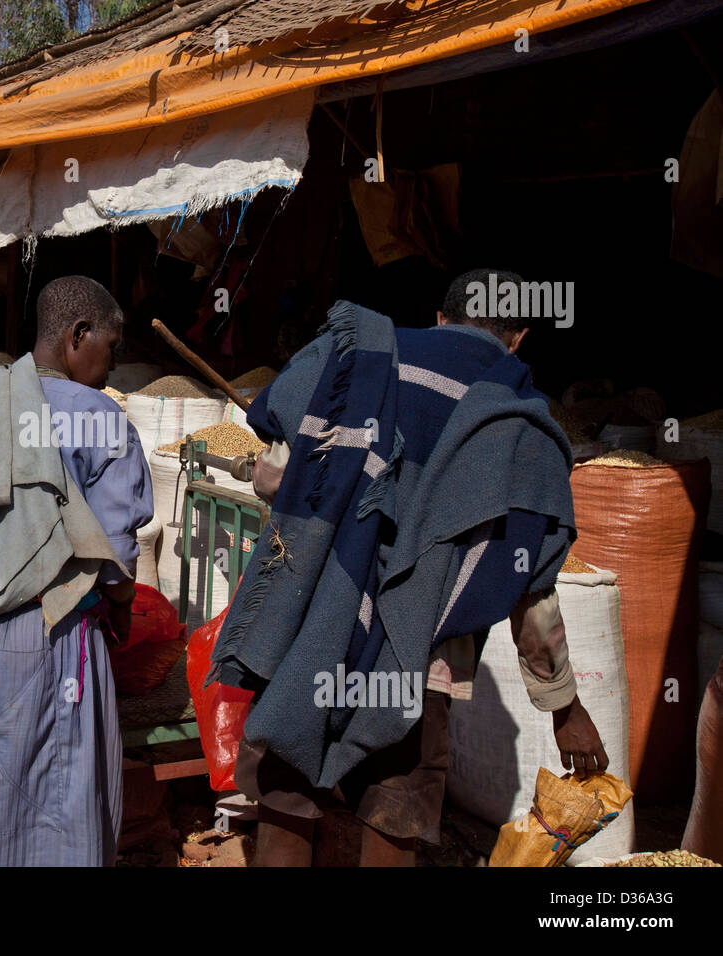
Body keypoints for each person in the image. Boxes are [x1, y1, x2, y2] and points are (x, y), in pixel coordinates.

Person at [217, 269, 608, 867]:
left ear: (442, 318)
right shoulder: (524, 426)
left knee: (289, 794)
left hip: (316, 627)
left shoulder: (362, 359)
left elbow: (277, 477)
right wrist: (563, 707)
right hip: (422, 661)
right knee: (396, 808)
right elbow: (530, 583)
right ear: (520, 336)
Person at [0, 275, 153, 866]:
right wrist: (120, 609)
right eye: (111, 349)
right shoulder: (99, 418)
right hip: (53, 632)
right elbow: (115, 553)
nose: (113, 366)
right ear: (78, 335)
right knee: (54, 790)